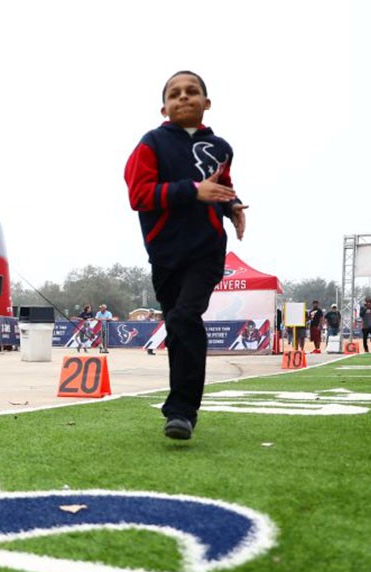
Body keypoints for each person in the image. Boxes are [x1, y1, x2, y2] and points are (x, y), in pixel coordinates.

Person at [125, 70, 246, 441]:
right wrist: (193, 191)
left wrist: (234, 206)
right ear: (164, 107)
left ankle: (182, 411)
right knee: (178, 328)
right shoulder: (151, 144)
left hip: (207, 250)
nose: (183, 97)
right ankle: (181, 407)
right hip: (165, 252)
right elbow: (139, 195)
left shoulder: (221, 147)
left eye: (192, 92)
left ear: (206, 103)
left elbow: (221, 183)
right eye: (174, 93)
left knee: (185, 315)